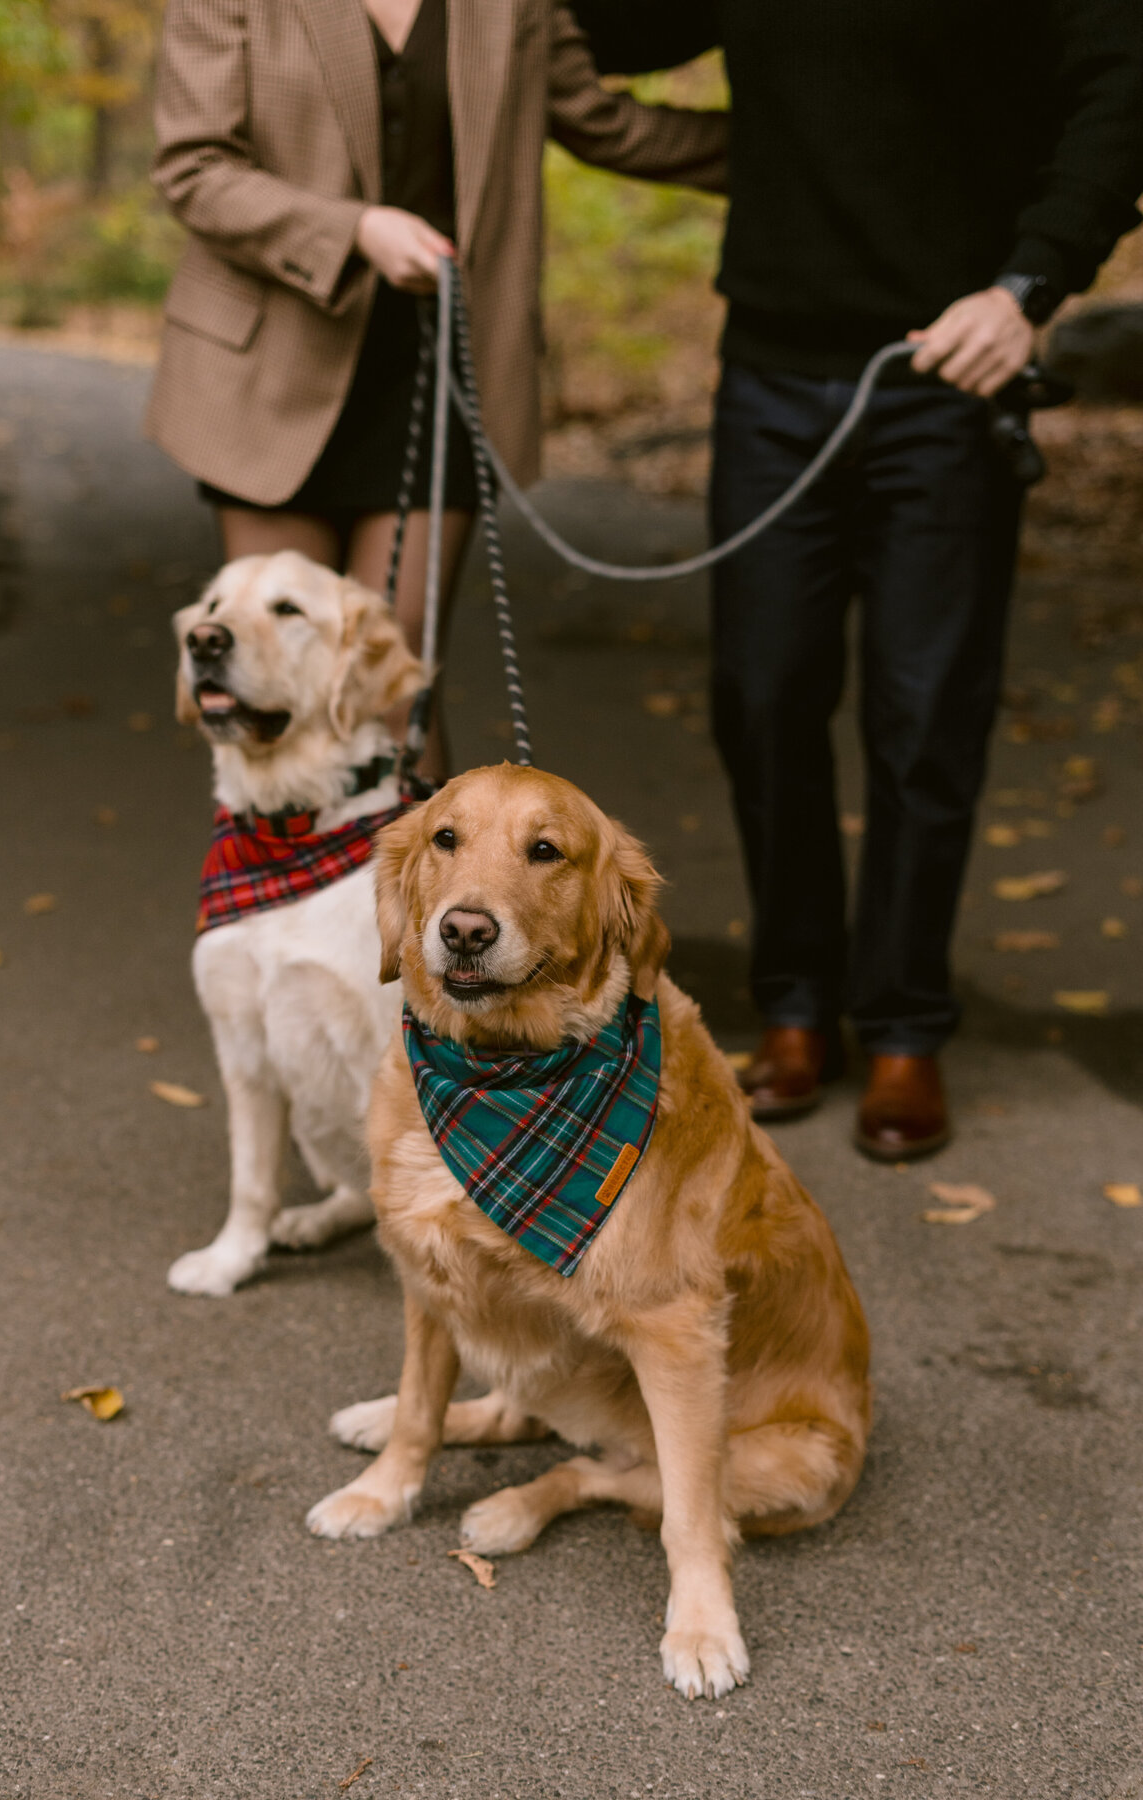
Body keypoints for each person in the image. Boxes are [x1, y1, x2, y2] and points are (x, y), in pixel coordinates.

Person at [572, 0, 1143, 1159]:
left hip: (951, 371)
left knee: (926, 712)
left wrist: (1031, 285)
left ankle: (902, 1026)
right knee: (763, 692)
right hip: (774, 373)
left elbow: (1123, 93)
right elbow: (610, 28)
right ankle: (794, 1006)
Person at [147, 0, 728, 782]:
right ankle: (277, 908)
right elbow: (196, 168)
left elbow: (606, 124)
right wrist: (355, 229)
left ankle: (406, 909)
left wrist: (808, 141)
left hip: (445, 366)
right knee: (267, 694)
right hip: (269, 368)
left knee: (394, 684)